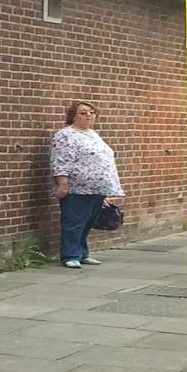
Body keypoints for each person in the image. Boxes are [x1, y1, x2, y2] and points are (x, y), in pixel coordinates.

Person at [49, 100, 124, 269]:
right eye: (83, 113)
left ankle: (82, 253)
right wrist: (62, 183)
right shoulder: (66, 135)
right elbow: (61, 160)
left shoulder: (93, 134)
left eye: (91, 112)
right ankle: (70, 255)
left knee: (88, 222)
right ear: (73, 116)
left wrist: (104, 192)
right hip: (78, 188)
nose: (89, 115)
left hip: (97, 189)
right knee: (74, 222)